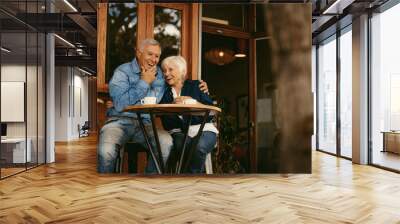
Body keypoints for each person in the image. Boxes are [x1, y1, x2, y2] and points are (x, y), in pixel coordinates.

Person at [98, 39, 208, 173]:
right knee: (106, 151)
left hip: (145, 124)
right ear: (139, 53)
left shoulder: (162, 76)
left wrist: (200, 87)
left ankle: (149, 182)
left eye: (157, 56)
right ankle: (105, 187)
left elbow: (178, 82)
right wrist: (144, 82)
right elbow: (120, 104)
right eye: (150, 54)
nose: (154, 59)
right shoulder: (122, 71)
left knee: (166, 143)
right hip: (119, 121)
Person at [159, 56, 218, 173]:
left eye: (170, 70)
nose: (166, 74)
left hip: (204, 129)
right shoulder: (164, 93)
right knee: (183, 146)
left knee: (198, 146)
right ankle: (193, 179)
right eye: (164, 71)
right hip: (178, 132)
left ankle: (191, 178)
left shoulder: (196, 86)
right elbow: (167, 122)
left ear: (182, 71)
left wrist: (194, 102)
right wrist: (173, 106)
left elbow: (211, 112)